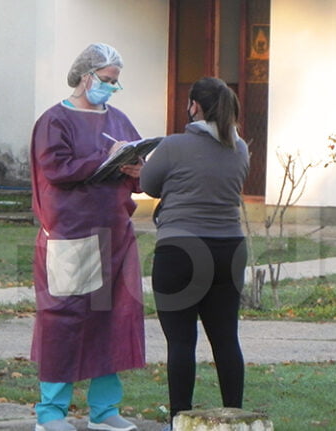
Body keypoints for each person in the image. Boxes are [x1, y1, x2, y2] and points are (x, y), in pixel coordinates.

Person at [29, 43, 145, 431]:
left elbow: (139, 170)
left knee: (112, 319)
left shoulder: (120, 120)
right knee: (64, 319)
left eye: (116, 83)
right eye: (107, 81)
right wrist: (105, 158)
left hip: (115, 234)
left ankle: (104, 410)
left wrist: (136, 171)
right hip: (70, 235)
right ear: (86, 76)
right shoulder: (55, 121)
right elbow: (56, 169)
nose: (112, 89)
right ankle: (51, 412)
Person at [140, 77, 250, 428]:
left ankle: (179, 419)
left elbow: (149, 185)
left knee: (182, 343)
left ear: (195, 107)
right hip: (229, 249)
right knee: (226, 339)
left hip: (180, 250)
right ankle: (234, 416)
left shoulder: (174, 145)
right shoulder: (240, 147)